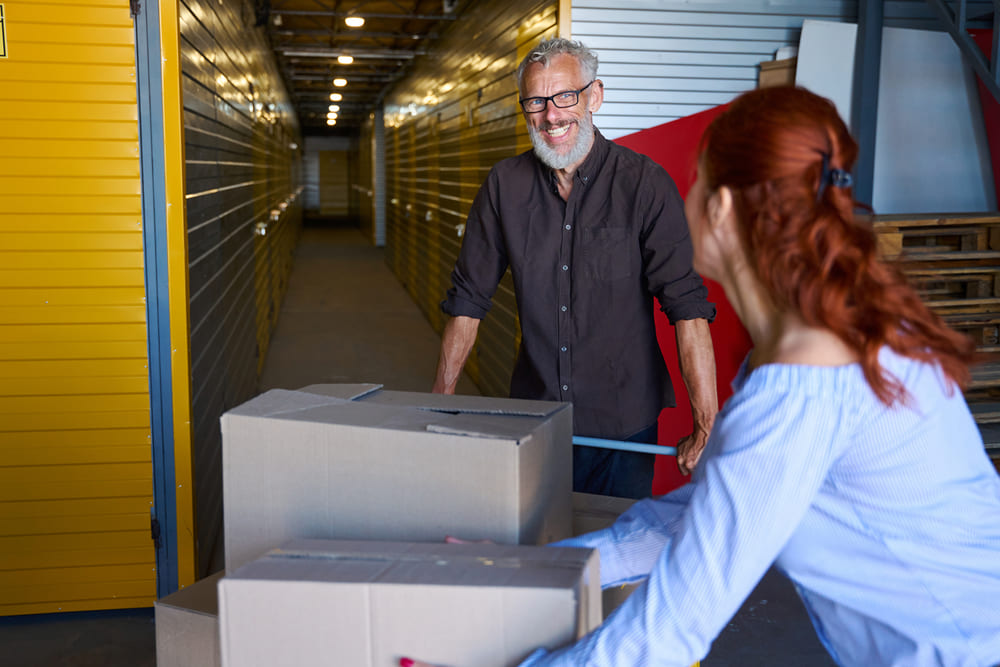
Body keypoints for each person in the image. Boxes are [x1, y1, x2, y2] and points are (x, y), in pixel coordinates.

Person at [406, 86, 1000, 666]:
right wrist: (534, 566)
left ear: (718, 209)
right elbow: (686, 520)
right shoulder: (822, 343)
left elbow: (672, 627)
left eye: (697, 183)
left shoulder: (805, 386)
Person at [432, 38, 718, 498]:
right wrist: (437, 407)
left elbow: (686, 307)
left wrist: (706, 424)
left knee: (609, 559)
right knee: (538, 558)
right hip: (535, 422)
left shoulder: (644, 186)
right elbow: (468, 300)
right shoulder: (504, 186)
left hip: (623, 429)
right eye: (536, 102)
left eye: (565, 96)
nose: (552, 115)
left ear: (594, 96)